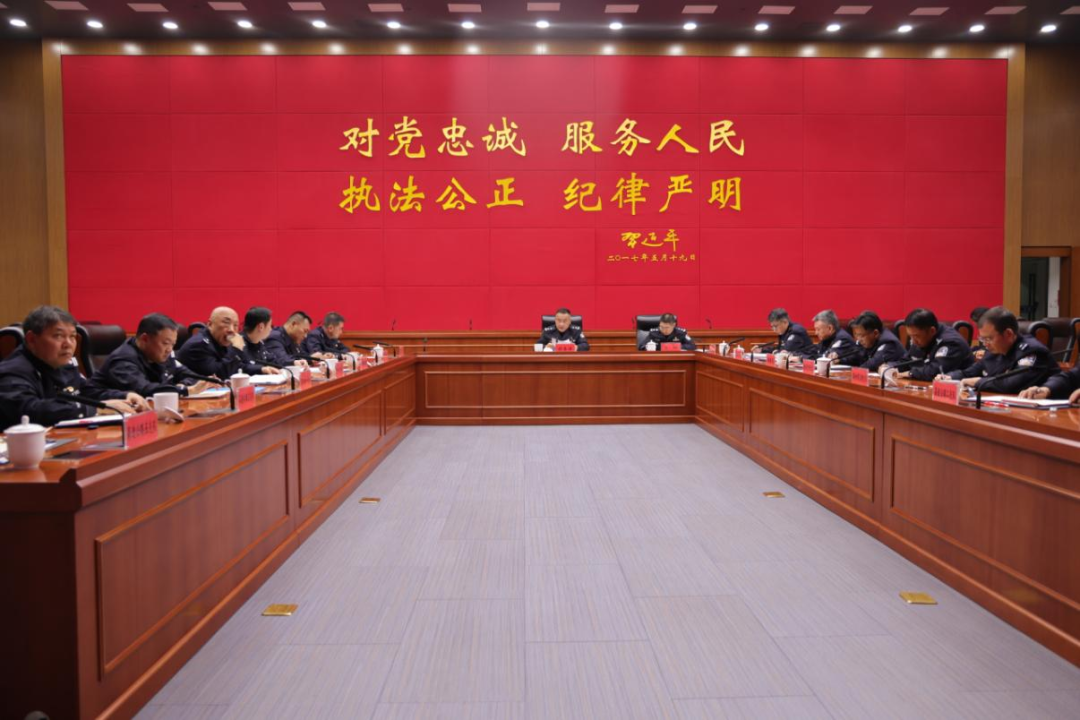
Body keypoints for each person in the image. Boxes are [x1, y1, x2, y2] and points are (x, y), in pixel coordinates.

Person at [0, 305, 144, 428]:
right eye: (58, 336)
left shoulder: (62, 363)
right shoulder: (13, 371)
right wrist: (97, 409)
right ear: (32, 339)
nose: (68, 344)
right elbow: (30, 411)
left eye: (72, 336)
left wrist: (124, 396)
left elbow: (85, 391)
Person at [86, 313, 213, 398]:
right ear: (145, 339)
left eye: (173, 344)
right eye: (165, 343)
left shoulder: (162, 354)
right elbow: (144, 390)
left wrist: (182, 385)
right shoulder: (123, 360)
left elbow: (189, 375)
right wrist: (185, 391)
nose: (170, 349)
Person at [941, 306, 1056, 394]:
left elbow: (1010, 384)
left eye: (989, 338)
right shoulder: (994, 351)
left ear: (1008, 334)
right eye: (982, 339)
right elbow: (970, 372)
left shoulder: (1032, 351)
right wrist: (950, 377)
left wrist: (977, 382)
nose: (985, 344)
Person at [886, 308, 974, 381]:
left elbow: (935, 371)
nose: (913, 341)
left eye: (916, 336)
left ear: (932, 331)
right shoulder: (920, 339)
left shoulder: (951, 342)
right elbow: (907, 361)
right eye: (910, 336)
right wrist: (889, 366)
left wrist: (910, 373)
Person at [176, 306, 248, 380]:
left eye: (235, 325)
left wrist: (257, 369)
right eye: (226, 323)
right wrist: (236, 350)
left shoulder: (222, 341)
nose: (231, 330)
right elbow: (220, 376)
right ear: (210, 324)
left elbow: (241, 366)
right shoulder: (198, 345)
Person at [236, 307, 286, 375]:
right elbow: (238, 367)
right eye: (270, 326)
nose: (271, 329)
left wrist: (292, 362)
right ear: (261, 327)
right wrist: (261, 369)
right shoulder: (237, 343)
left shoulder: (260, 343)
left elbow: (272, 360)